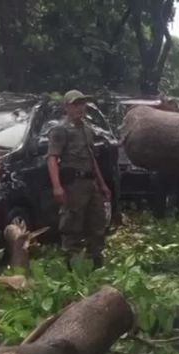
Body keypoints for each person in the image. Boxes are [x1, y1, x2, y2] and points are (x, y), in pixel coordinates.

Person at [47, 90, 111, 269]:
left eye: (82, 103)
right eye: (75, 104)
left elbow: (92, 158)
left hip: (91, 184)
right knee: (72, 226)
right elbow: (52, 158)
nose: (80, 108)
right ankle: (72, 268)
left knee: (97, 224)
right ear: (66, 107)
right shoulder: (61, 130)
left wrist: (103, 184)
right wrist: (57, 187)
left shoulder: (86, 128)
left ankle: (97, 265)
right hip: (73, 185)